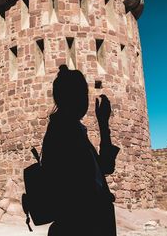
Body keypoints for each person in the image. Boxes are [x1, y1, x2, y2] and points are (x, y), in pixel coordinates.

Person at [41, 64, 120, 236]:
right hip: (82, 226)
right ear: (73, 97)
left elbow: (104, 167)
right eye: (83, 94)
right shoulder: (63, 132)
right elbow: (78, 191)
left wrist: (103, 124)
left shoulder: (73, 130)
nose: (86, 100)